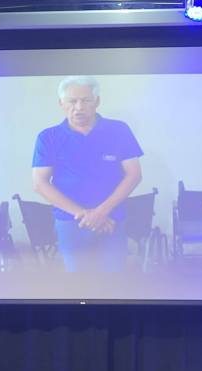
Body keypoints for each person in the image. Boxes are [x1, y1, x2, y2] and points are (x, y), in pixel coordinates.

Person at [32, 76, 143, 272]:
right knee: (79, 283)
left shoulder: (119, 130)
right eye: (72, 101)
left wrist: (101, 212)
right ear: (61, 103)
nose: (79, 107)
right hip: (71, 222)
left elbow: (134, 175)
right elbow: (40, 183)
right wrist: (84, 215)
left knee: (114, 281)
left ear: (97, 101)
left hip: (112, 220)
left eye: (86, 100)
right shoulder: (48, 137)